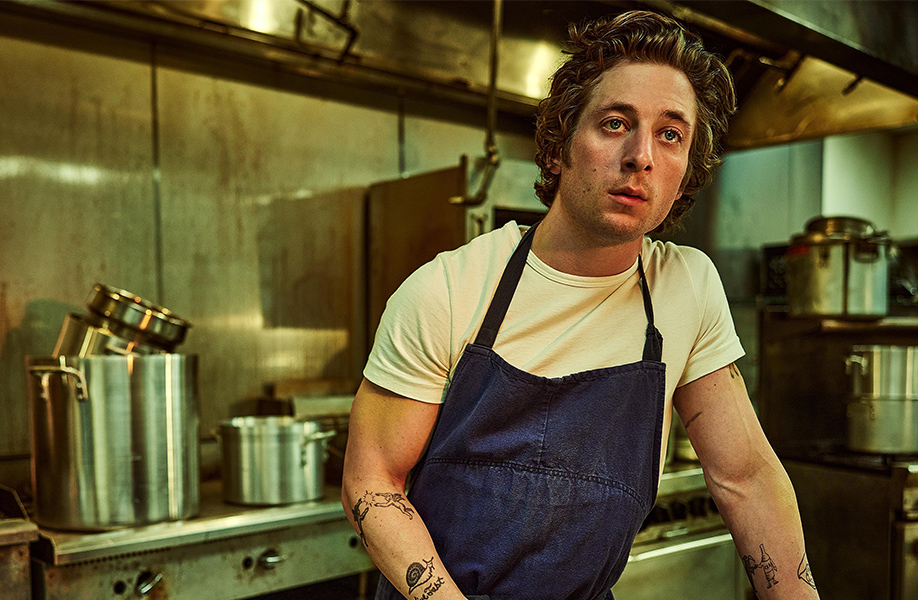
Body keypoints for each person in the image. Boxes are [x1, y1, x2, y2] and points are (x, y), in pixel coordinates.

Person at [342, 10, 819, 600]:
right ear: (558, 147)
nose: (641, 155)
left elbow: (747, 479)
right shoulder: (449, 289)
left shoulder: (684, 288)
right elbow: (371, 483)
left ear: (685, 172)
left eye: (671, 134)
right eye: (616, 123)